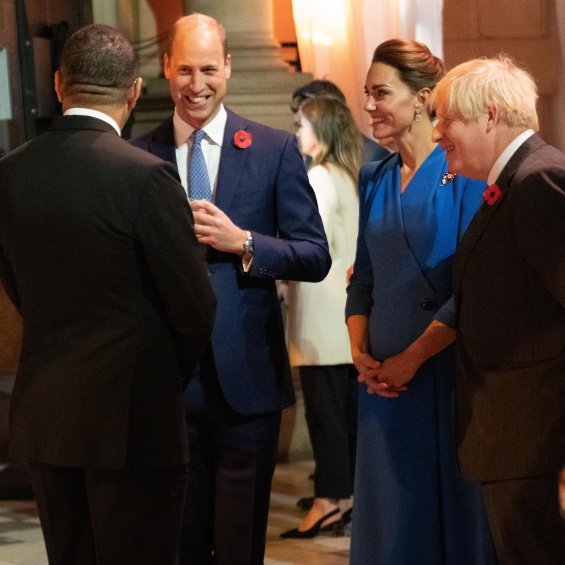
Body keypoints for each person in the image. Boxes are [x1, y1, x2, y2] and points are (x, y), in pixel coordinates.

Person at [0, 24, 216, 565]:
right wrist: (165, 375)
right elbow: (194, 307)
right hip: (134, 419)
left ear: (57, 84)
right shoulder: (145, 176)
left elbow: (17, 287)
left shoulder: (9, 174)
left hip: (48, 415)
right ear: (135, 90)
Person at [131, 13, 331, 565]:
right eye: (186, 69)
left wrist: (244, 241)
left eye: (209, 70)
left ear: (229, 69)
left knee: (241, 543)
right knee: (181, 541)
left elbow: (314, 255)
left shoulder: (271, 149)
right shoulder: (135, 155)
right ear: (166, 68)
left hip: (248, 381)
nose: (197, 84)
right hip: (167, 381)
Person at [345, 39, 495, 564]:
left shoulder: (466, 175)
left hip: (444, 376)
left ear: (423, 97)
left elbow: (471, 289)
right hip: (383, 387)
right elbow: (362, 278)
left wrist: (411, 359)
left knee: (448, 520)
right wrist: (360, 354)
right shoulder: (374, 177)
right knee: (391, 527)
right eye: (366, 94)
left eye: (381, 93)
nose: (368, 106)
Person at [432, 55, 565, 564]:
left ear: (488, 116)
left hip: (538, 440)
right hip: (516, 437)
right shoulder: (510, 184)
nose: (438, 131)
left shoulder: (538, 181)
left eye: (448, 118)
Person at [280, 96, 360, 539]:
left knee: (326, 419)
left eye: (302, 125)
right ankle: (344, 497)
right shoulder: (346, 176)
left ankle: (330, 501)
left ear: (322, 132)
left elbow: (304, 243)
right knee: (343, 418)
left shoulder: (320, 179)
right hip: (342, 319)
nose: (296, 133)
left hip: (323, 321)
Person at [290, 79, 390, 165]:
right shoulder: (308, 157)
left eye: (306, 124)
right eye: (300, 125)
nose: (299, 133)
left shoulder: (374, 157)